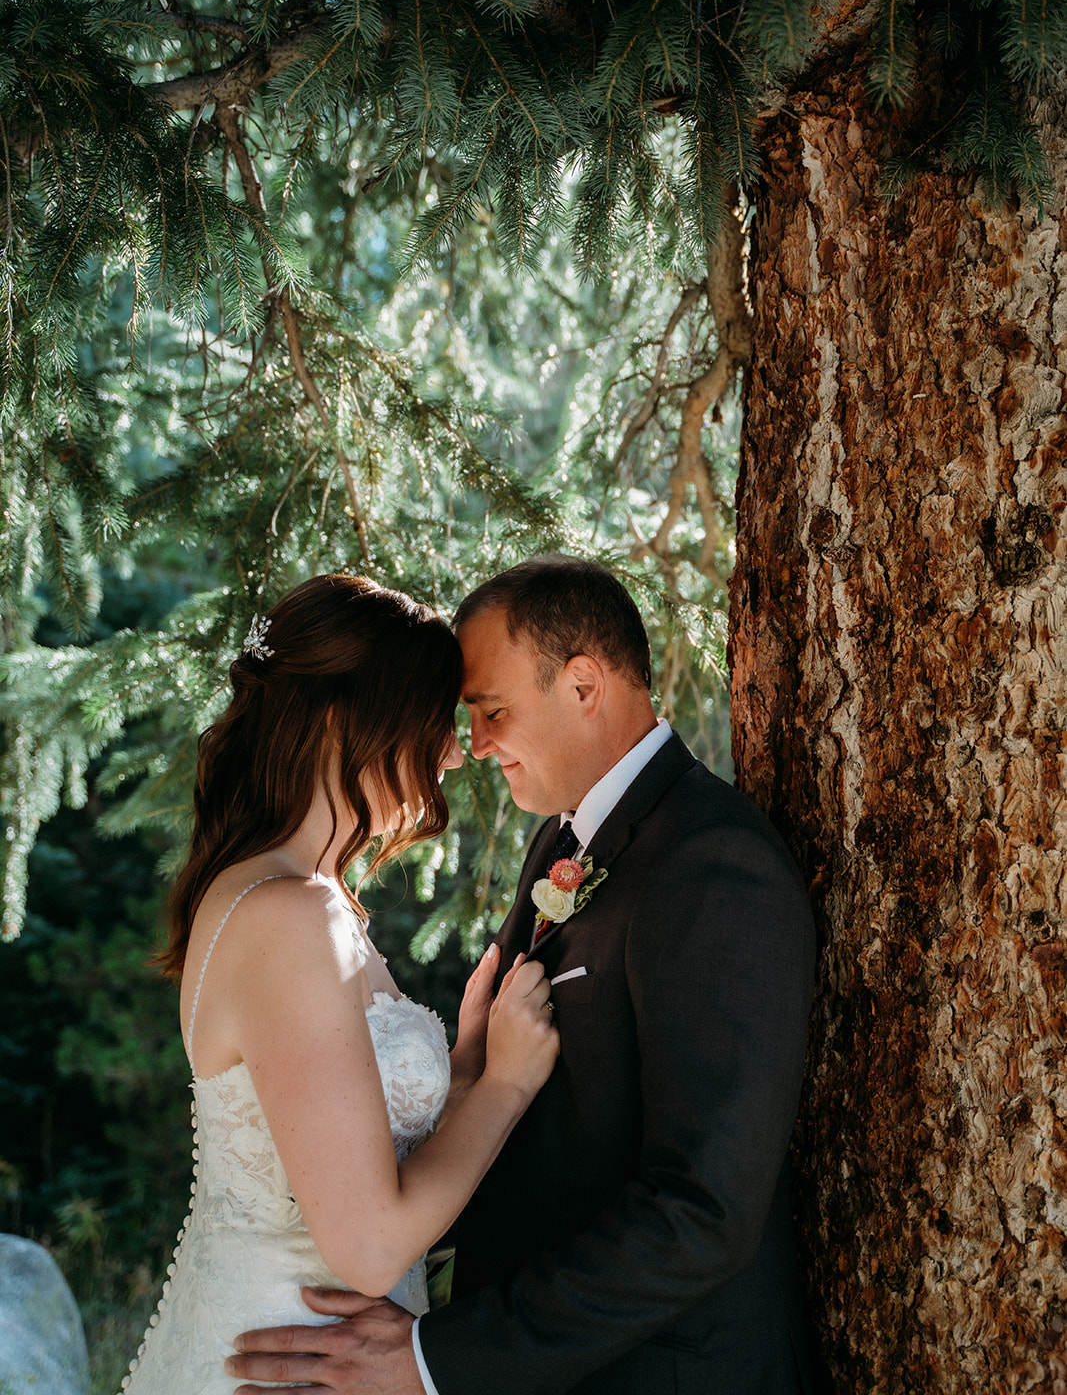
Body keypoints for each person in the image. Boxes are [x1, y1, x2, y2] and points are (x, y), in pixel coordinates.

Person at [226, 555, 821, 1395]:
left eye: (493, 710)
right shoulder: (560, 845)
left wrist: (440, 1358)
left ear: (583, 685)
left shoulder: (710, 865)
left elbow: (703, 1213)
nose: (474, 746)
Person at [119, 573, 558, 1395]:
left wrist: (460, 1068)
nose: (456, 750)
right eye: (432, 721)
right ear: (339, 719)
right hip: (287, 1361)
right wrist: (503, 1085)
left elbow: (351, 1152)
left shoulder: (300, 896)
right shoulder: (288, 916)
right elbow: (367, 1245)